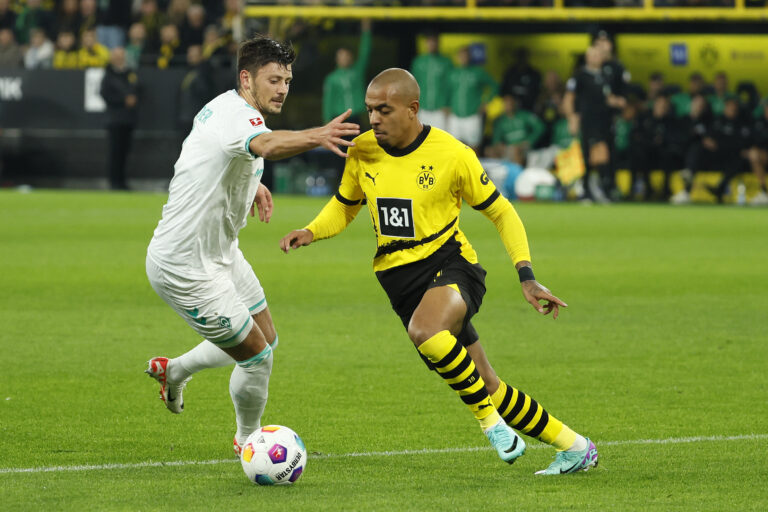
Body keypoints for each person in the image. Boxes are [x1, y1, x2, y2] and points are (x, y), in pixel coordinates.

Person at [279, 68, 598, 475]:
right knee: (489, 384)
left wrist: (526, 273)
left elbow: (501, 211)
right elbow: (345, 204)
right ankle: (575, 446)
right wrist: (311, 231)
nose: (373, 118)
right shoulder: (362, 150)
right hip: (399, 282)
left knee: (426, 331)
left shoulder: (453, 154)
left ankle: (491, 426)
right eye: (370, 109)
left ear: (412, 109)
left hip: (451, 265)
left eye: (384, 110)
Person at [144, 36, 360, 458]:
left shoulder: (233, 110)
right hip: (184, 265)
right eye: (273, 79)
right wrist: (317, 135)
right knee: (257, 357)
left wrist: (251, 185)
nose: (282, 88)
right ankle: (249, 443)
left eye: (287, 80)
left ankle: (174, 371)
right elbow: (265, 144)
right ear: (247, 78)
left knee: (266, 338)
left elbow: (211, 158)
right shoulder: (239, 118)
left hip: (221, 252)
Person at [563, 46, 620, 203]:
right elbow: (569, 97)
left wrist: (616, 102)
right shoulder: (580, 76)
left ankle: (590, 189)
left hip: (605, 122)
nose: (596, 58)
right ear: (587, 57)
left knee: (596, 157)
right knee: (598, 153)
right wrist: (572, 117)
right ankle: (594, 188)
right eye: (592, 55)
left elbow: (606, 97)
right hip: (589, 122)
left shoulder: (605, 75)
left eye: (598, 55)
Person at [100, 47, 139, 190]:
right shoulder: (108, 74)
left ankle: (122, 181)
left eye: (121, 55)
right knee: (115, 152)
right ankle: (113, 181)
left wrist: (133, 98)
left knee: (124, 152)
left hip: (128, 119)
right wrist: (123, 101)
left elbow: (136, 89)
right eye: (116, 55)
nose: (119, 58)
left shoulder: (130, 73)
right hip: (114, 119)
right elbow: (105, 94)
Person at [446, 46, 498, 152]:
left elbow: (494, 85)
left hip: (472, 115)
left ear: (470, 57)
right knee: (453, 148)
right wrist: (447, 106)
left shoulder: (478, 72)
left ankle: (474, 169)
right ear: (457, 57)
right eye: (461, 56)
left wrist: (486, 102)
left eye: (466, 56)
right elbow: (447, 91)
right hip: (455, 116)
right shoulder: (452, 73)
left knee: (474, 147)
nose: (463, 58)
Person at [322, 19, 371, 125]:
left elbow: (365, 52)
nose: (343, 58)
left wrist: (366, 31)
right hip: (339, 117)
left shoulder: (357, 71)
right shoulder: (332, 78)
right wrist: (327, 121)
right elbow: (327, 102)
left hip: (357, 115)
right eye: (341, 56)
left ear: (351, 57)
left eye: (346, 55)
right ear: (336, 59)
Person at [410, 32, 452, 131]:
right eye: (429, 41)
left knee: (441, 140)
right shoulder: (418, 61)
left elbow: (450, 86)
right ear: (425, 43)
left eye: (434, 41)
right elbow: (412, 85)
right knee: (421, 139)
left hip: (440, 109)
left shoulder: (446, 62)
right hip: (422, 108)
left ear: (438, 43)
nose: (431, 44)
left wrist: (448, 105)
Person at [487, 94, 544, 166]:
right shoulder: (500, 122)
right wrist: (499, 146)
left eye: (510, 103)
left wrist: (530, 141)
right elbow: (496, 141)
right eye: (505, 104)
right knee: (489, 151)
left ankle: (519, 173)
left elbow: (540, 127)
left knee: (515, 150)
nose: (508, 106)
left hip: (524, 146)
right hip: (508, 148)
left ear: (515, 103)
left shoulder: (523, 115)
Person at [499, 47, 541, 113]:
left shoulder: (534, 74)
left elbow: (538, 93)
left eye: (523, 57)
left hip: (529, 110)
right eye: (519, 57)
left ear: (527, 58)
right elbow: (503, 92)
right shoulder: (509, 73)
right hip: (511, 111)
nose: (521, 59)